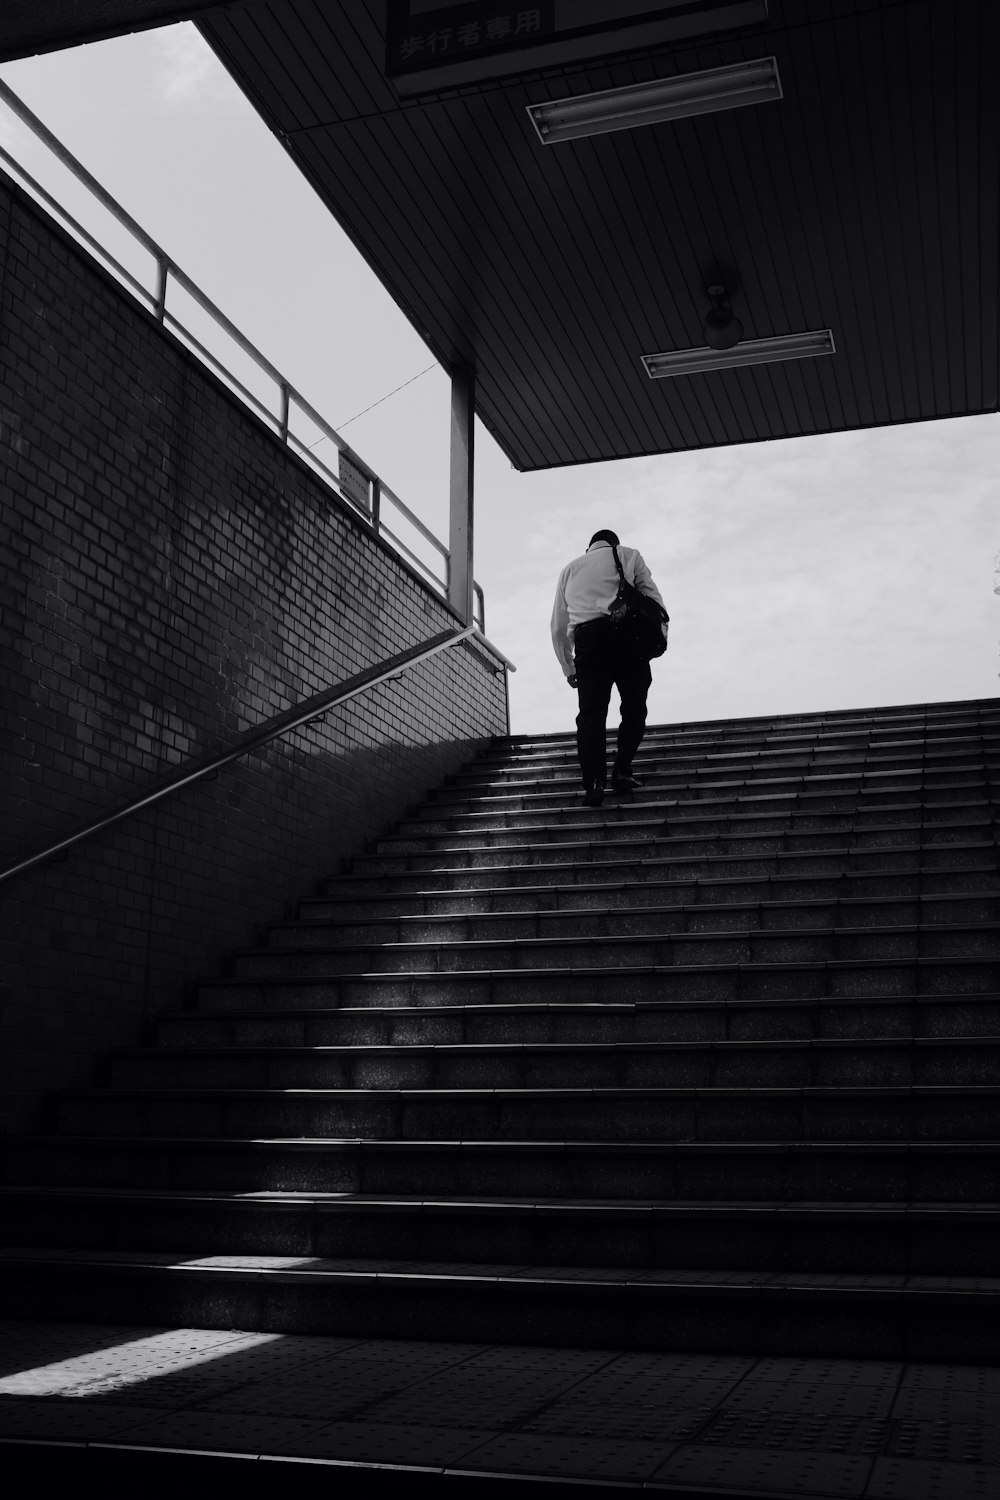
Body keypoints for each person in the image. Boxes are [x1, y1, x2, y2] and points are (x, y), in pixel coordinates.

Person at [550, 529, 668, 807]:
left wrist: (568, 666)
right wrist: (658, 638)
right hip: (629, 639)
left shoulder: (569, 569)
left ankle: (594, 782)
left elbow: (557, 623)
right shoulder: (629, 555)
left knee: (591, 714)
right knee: (634, 706)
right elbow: (655, 602)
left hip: (589, 642)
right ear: (614, 543)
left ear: (589, 547)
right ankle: (622, 770)